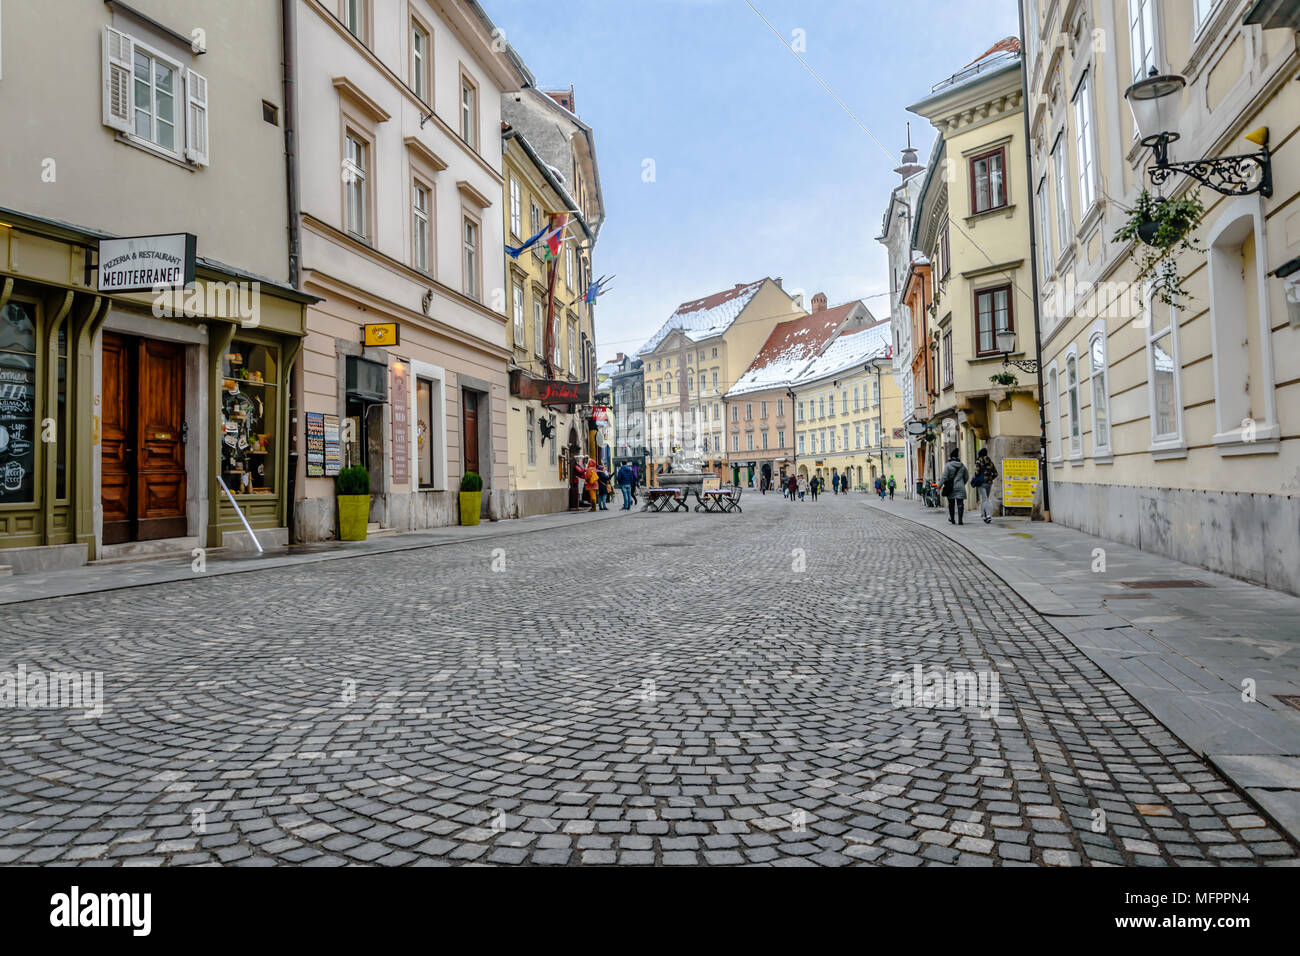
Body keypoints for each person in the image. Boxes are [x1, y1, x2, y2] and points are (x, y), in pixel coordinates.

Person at [939, 449, 970, 525]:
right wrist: (962, 483)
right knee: (960, 503)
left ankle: (952, 519)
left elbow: (944, 477)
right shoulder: (962, 466)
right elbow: (966, 476)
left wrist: (939, 486)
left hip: (951, 487)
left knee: (951, 504)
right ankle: (960, 520)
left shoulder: (948, 465)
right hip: (960, 487)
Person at [972, 448, 999, 524]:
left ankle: (988, 515)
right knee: (985, 499)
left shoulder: (978, 461)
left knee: (985, 499)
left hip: (981, 483)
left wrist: (978, 477)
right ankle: (984, 515)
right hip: (989, 483)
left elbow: (977, 472)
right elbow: (996, 474)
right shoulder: (990, 462)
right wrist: (990, 478)